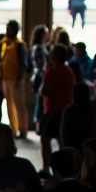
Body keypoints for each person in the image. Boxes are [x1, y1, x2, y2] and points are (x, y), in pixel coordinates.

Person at [39, 43, 75, 173]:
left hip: (52, 110)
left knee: (45, 139)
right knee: (62, 140)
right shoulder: (68, 71)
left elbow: (44, 91)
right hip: (65, 109)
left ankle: (46, 167)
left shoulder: (52, 71)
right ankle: (66, 166)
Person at [0, 20, 30, 138]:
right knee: (9, 105)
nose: (6, 31)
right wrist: (1, 79)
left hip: (16, 79)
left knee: (19, 105)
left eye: (9, 29)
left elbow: (23, 64)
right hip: (6, 79)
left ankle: (23, 129)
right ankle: (13, 129)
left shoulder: (20, 45)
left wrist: (19, 79)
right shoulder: (5, 44)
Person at [30, 24, 50, 131]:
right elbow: (41, 65)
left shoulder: (40, 46)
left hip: (40, 76)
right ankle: (39, 125)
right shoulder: (39, 48)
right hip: (41, 77)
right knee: (40, 102)